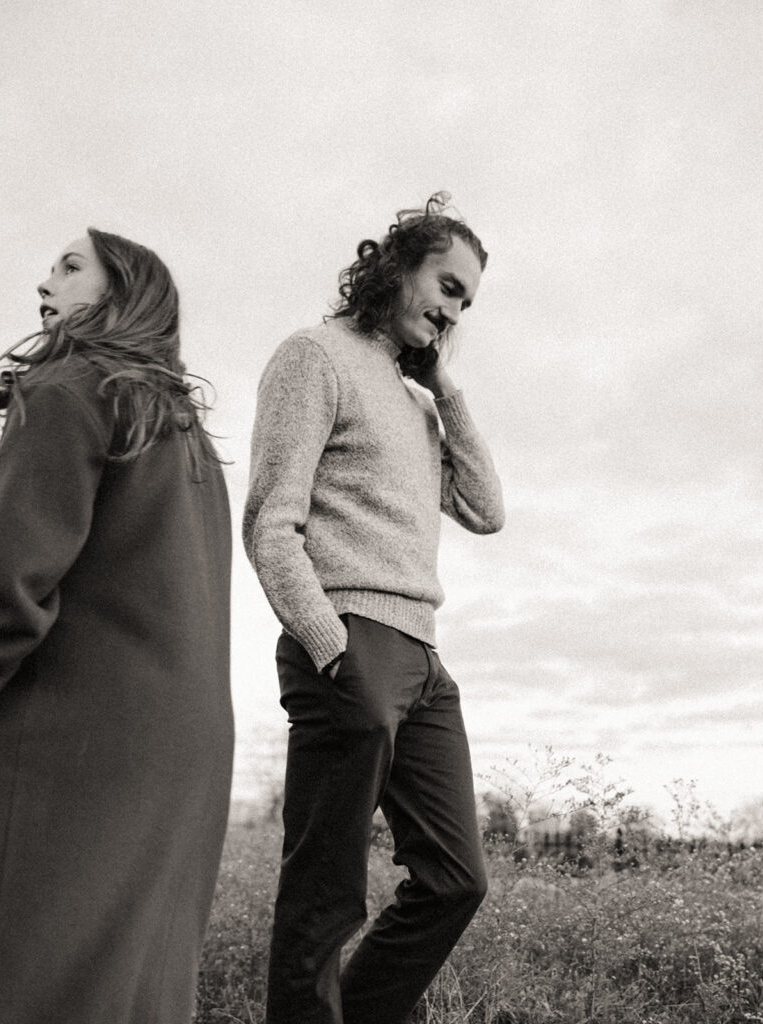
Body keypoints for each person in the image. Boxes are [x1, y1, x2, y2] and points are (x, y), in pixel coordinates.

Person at [243, 192, 505, 1024]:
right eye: (447, 284)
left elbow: (486, 509)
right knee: (325, 892)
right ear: (395, 268)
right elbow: (269, 521)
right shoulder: (314, 357)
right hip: (350, 641)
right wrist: (326, 643)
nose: (453, 308)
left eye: (466, 300)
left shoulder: (420, 404)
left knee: (455, 878)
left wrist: (447, 392)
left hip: (423, 660)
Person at [0, 230, 234, 1024]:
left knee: (13, 977)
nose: (44, 278)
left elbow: (3, 594)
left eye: (70, 265)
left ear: (122, 292)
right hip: (179, 751)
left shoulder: (69, 389)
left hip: (73, 740)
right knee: (126, 991)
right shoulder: (183, 432)